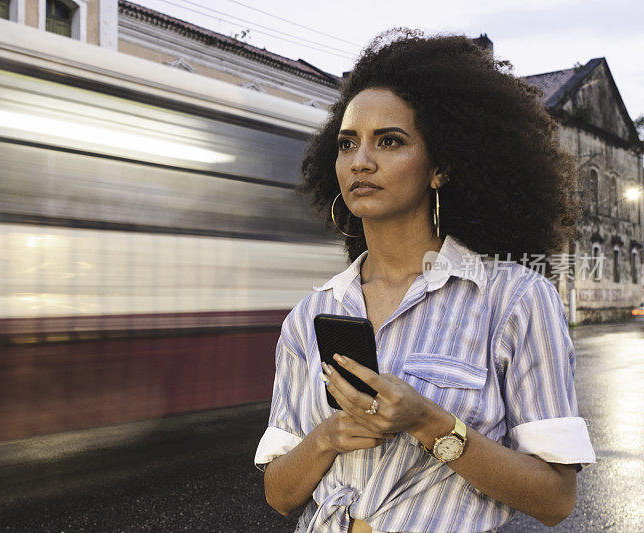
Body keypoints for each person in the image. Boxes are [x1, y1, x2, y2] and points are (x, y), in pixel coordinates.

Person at [253, 28, 596, 533]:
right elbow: (279, 496)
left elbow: (555, 499)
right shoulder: (310, 316)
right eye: (348, 144)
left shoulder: (514, 299)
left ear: (440, 168)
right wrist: (327, 436)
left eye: (389, 141)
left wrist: (425, 421)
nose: (361, 161)